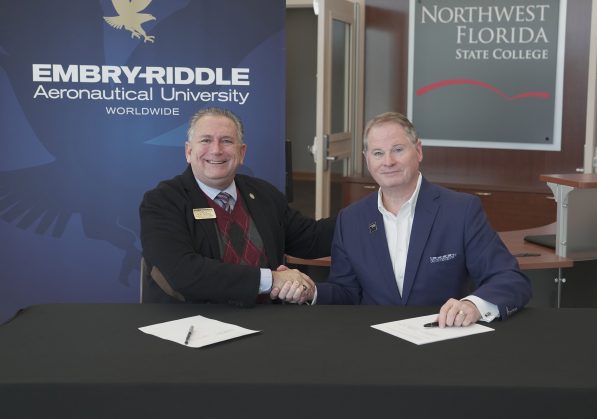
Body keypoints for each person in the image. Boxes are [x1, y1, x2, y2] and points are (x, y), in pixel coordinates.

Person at [278, 112, 531, 326]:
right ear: (367, 160)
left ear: (418, 151)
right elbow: (347, 292)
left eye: (397, 150)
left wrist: (472, 305)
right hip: (374, 346)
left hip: (442, 341)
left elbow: (509, 279)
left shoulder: (460, 210)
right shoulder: (351, 219)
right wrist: (311, 292)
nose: (388, 162)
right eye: (378, 153)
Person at [139, 107, 334, 306]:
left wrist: (368, 215)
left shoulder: (263, 194)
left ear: (241, 153)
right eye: (206, 140)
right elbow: (183, 272)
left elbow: (311, 239)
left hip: (268, 323)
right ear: (189, 151)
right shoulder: (162, 201)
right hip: (195, 324)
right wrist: (272, 279)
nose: (216, 150)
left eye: (226, 141)